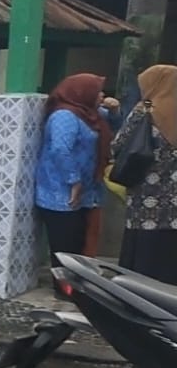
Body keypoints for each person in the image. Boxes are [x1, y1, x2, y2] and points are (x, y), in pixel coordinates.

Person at [36, 73, 115, 262]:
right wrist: (74, 181)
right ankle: (64, 282)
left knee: (79, 249)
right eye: (97, 91)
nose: (102, 95)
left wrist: (115, 111)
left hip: (86, 193)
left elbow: (115, 126)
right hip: (62, 194)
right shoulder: (65, 116)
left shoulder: (89, 114)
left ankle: (76, 280)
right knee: (66, 251)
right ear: (82, 93)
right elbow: (60, 150)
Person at [114, 64, 177, 284]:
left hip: (145, 196)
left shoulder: (146, 110)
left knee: (142, 254)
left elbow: (119, 145)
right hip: (174, 205)